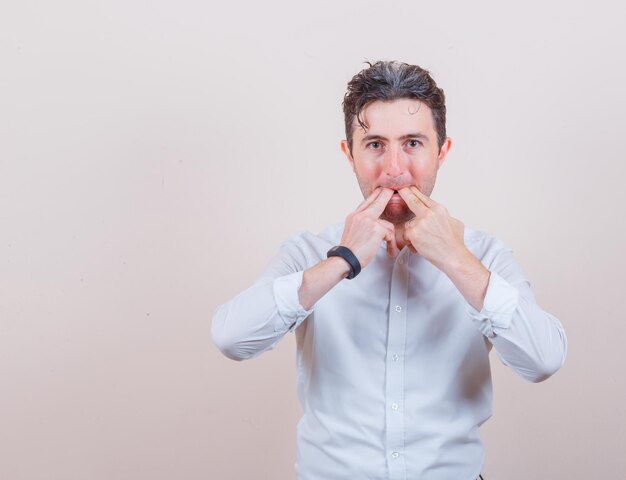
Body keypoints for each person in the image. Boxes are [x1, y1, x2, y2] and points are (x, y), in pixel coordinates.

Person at [211, 60, 567, 480]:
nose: (394, 169)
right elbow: (232, 338)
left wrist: (455, 259)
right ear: (350, 154)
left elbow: (543, 360)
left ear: (442, 152)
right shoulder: (309, 253)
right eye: (375, 144)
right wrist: (342, 260)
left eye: (413, 143)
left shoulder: (484, 256)